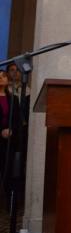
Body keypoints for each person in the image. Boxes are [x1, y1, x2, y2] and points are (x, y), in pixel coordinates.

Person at [0, 69, 24, 207]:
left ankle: (10, 204)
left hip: (9, 142)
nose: (1, 78)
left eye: (3, 76)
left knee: (8, 172)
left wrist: (11, 131)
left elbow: (16, 120)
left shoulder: (13, 99)